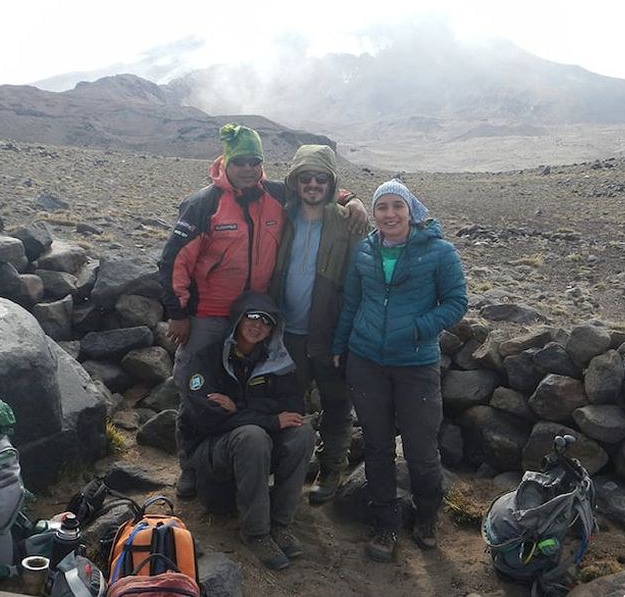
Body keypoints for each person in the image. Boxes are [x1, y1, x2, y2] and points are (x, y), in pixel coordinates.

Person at [159, 123, 366, 498]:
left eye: (255, 160)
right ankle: (193, 466)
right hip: (210, 316)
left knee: (268, 394)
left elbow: (320, 187)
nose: (249, 168)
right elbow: (173, 259)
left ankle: (265, 465)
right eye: (240, 160)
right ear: (225, 161)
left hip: (257, 321)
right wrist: (178, 312)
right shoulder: (204, 203)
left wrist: (353, 200)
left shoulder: (275, 195)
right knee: (196, 389)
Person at [331, 179, 468, 562]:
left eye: (397, 206)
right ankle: (385, 523)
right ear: (373, 214)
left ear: (411, 210)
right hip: (366, 362)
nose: (390, 214)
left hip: (416, 365)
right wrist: (341, 346)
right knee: (376, 447)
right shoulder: (364, 252)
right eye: (382, 207)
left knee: (422, 450)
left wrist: (419, 328)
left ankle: (426, 517)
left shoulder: (440, 252)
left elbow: (457, 302)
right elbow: (351, 304)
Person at [178, 291, 314, 570]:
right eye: (252, 316)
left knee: (303, 432)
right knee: (252, 435)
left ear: (273, 329)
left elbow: (292, 408)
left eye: (266, 321)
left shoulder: (278, 363)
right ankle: (256, 532)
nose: (257, 325)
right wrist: (267, 417)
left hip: (258, 449)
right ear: (238, 320)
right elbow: (206, 417)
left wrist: (238, 408)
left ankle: (279, 523)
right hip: (213, 455)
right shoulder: (208, 358)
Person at [268, 144, 361, 504]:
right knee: (287, 403)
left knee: (337, 403)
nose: (312, 184)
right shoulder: (281, 215)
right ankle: (284, 470)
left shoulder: (347, 221)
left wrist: (345, 336)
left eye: (320, 178)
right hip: (286, 332)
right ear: (294, 181)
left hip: (330, 333)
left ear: (331, 182)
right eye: (304, 177)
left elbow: (358, 282)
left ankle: (332, 469)